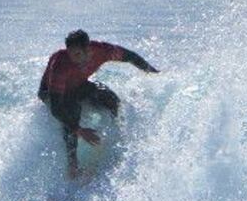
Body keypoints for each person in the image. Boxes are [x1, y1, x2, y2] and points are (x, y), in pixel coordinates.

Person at [38, 29, 159, 178]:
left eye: (77, 54)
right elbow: (57, 107)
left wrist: (153, 73)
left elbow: (130, 56)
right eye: (70, 53)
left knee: (112, 99)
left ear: (88, 49)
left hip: (78, 84)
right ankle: (73, 166)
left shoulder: (102, 50)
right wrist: (79, 130)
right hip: (51, 93)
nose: (73, 58)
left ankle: (119, 137)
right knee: (71, 110)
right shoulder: (61, 64)